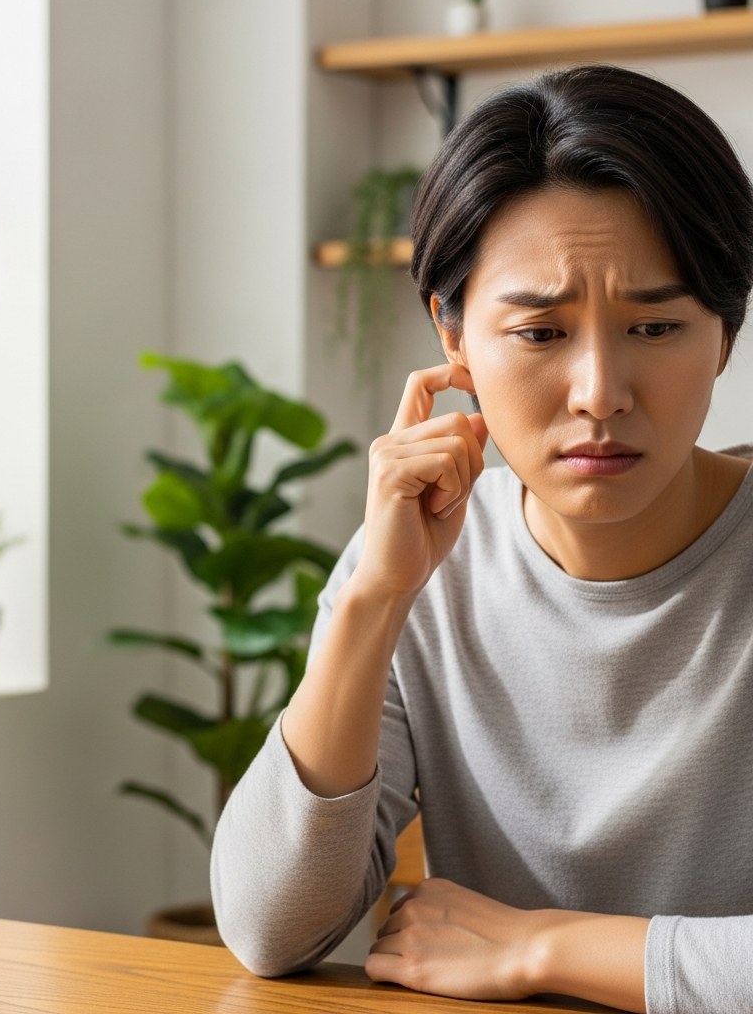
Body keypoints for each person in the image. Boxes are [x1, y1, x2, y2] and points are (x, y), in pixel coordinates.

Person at [209, 65, 753, 1014]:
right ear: (454, 340)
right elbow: (269, 928)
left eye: (656, 324)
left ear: (726, 336)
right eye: (541, 333)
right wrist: (371, 603)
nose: (599, 392)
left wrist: (544, 947)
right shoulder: (420, 558)